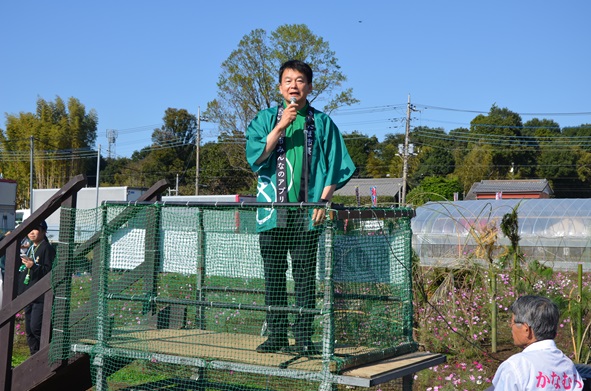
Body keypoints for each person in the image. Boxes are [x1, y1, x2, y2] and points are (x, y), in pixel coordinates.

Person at [245, 59, 355, 355]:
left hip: (309, 212)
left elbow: (337, 165)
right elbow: (255, 158)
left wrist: (324, 200)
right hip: (272, 211)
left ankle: (305, 337)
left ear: (309, 86)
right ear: (280, 87)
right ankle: (277, 335)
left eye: (300, 80)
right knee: (274, 275)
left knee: (305, 276)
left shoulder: (322, 123)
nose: (294, 86)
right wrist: (282, 125)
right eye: (288, 80)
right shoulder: (265, 119)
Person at [491, 295, 584, 390]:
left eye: (512, 323)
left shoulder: (516, 366)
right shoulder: (567, 365)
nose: (511, 327)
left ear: (526, 329)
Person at [17, 221, 55, 355]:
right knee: (29, 331)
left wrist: (33, 266)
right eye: (29, 230)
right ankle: (34, 358)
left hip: (40, 296)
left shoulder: (47, 248)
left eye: (36, 229)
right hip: (29, 294)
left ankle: (45, 354)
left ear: (44, 231)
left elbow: (49, 271)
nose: (31, 232)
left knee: (36, 327)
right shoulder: (30, 248)